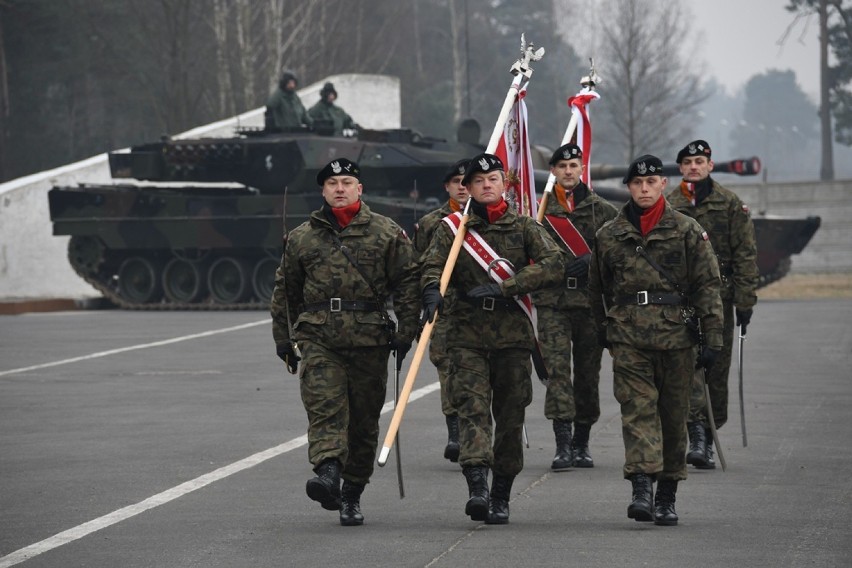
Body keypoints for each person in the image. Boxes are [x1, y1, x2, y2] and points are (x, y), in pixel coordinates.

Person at [270, 158, 420, 526]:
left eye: (347, 182)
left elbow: (408, 282)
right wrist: (283, 340)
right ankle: (327, 472)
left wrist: (406, 331)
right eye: (332, 182)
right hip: (320, 339)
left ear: (359, 189)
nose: (340, 188)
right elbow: (285, 292)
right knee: (325, 409)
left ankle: (351, 492)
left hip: (369, 341)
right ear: (323, 191)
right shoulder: (303, 237)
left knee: (364, 424)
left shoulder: (386, 233)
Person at [420, 153, 567, 524]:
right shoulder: (452, 230)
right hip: (466, 336)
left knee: (510, 417)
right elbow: (432, 266)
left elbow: (554, 264)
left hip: (513, 339)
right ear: (466, 189)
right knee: (471, 411)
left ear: (506, 184)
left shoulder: (524, 228)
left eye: (494, 179)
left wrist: (508, 286)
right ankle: (477, 488)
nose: (487, 185)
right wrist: (430, 291)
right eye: (479, 181)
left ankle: (501, 491)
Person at [588, 154, 723, 526]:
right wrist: (605, 332)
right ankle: (642, 488)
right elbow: (597, 290)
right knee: (637, 411)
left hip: (677, 336)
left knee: (673, 417)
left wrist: (713, 338)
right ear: (628, 188)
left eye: (651, 183)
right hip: (629, 337)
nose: (644, 189)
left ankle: (667, 495)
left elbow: (707, 285)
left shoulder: (687, 230)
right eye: (637, 184)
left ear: (663, 184)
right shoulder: (609, 235)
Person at [666, 140, 759, 470]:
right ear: (680, 168)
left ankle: (709, 426)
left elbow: (746, 254)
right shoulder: (668, 204)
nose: (694, 166)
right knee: (688, 367)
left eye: (700, 161)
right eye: (688, 161)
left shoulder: (730, 204)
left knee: (716, 369)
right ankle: (697, 437)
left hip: (720, 300)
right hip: (681, 300)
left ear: (710, 165)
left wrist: (746, 301)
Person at [533, 143, 619, 471]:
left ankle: (582, 442)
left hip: (588, 304)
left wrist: (593, 259)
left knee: (587, 374)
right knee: (557, 373)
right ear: (552, 171)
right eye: (562, 166)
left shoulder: (602, 211)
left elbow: (622, 253)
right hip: (553, 303)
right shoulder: (540, 211)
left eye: (574, 165)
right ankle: (562, 444)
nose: (568, 171)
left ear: (581, 168)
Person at [413, 158, 470, 463]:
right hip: (444, 310)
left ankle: (476, 431)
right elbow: (417, 268)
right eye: (456, 181)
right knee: (447, 370)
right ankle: (455, 433)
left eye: (467, 180)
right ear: (447, 186)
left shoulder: (488, 218)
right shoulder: (431, 223)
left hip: (479, 308)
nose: (462, 186)